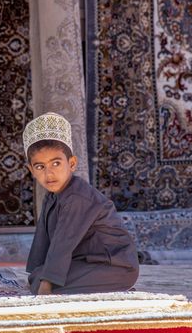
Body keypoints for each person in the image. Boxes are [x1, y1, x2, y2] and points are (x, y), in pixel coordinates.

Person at [22, 112, 139, 295]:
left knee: (46, 284)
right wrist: (39, 272)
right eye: (40, 167)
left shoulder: (78, 196)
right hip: (85, 261)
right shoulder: (53, 195)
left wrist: (46, 284)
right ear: (31, 170)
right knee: (37, 276)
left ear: (72, 163)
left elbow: (63, 242)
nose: (49, 174)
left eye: (56, 164)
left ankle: (116, 287)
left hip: (114, 267)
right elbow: (43, 239)